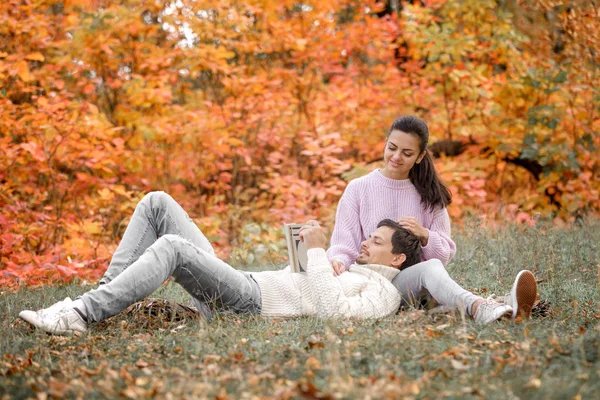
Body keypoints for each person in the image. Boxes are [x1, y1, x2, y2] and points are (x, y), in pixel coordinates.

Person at [19, 193, 536, 336]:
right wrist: (309, 254)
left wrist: (314, 253)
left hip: (250, 301)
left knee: (173, 250)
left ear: (397, 258)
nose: (361, 245)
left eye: (374, 242)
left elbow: (333, 315)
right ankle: (104, 299)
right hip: (251, 281)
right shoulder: (349, 267)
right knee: (158, 204)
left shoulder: (385, 293)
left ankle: (82, 315)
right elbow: (312, 279)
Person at [328, 115, 455, 275]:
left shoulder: (429, 194)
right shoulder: (358, 188)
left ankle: (478, 302)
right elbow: (344, 246)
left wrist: (424, 235)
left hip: (411, 283)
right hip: (367, 279)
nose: (396, 157)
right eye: (392, 148)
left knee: (431, 272)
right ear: (386, 142)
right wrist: (339, 262)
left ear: (420, 157)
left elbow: (443, 256)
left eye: (407, 153)